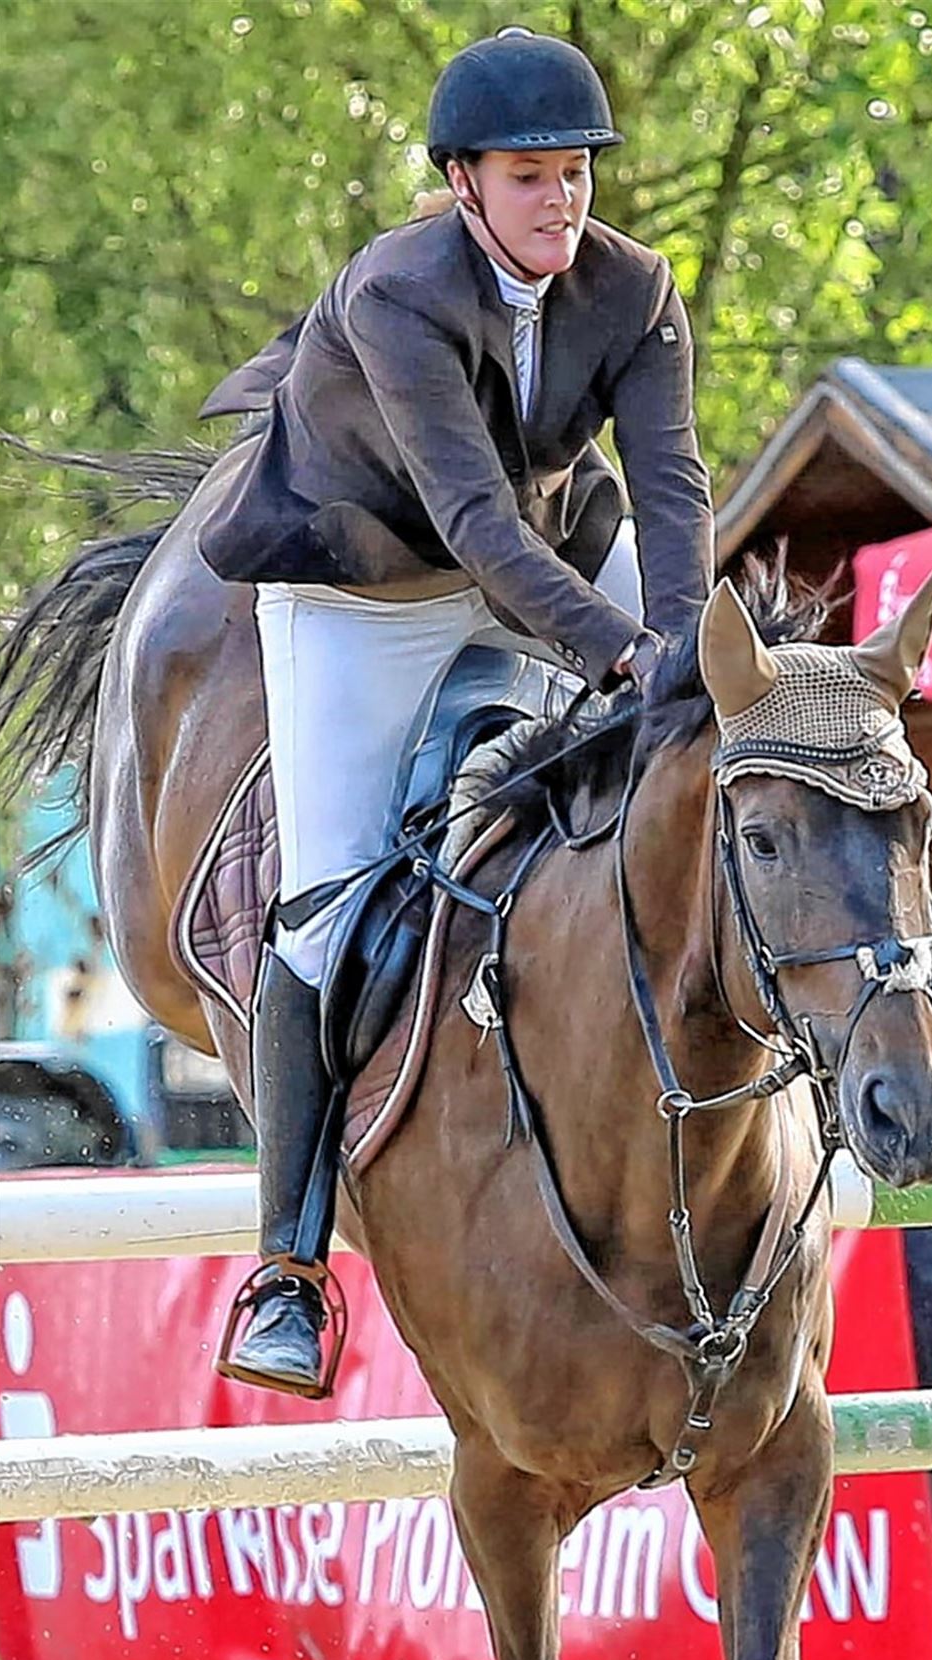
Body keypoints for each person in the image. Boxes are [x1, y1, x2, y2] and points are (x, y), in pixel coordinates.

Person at [195, 27, 716, 1396]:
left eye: (577, 176)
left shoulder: (637, 290)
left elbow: (671, 493)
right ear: (463, 183)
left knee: (730, 690)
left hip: (537, 556)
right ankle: (289, 1269)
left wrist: (688, 649)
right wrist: (622, 656)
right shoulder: (396, 291)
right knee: (322, 902)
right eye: (532, 177)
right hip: (364, 585)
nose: (563, 202)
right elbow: (473, 518)